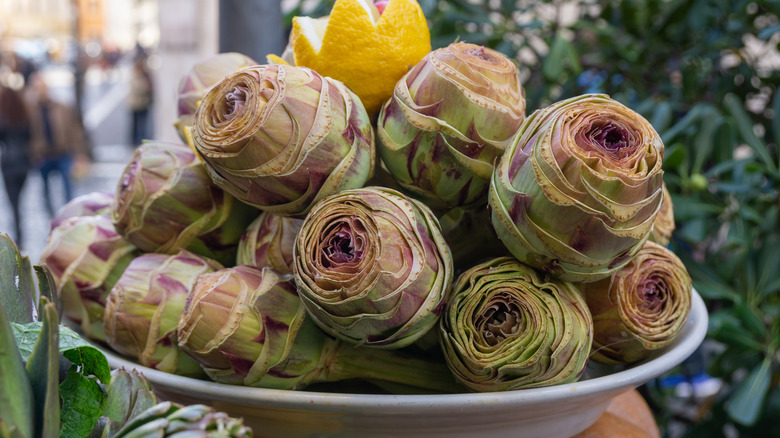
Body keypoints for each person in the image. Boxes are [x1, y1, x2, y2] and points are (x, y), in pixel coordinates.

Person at [26, 72, 89, 217]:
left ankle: (69, 215)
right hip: (43, 155)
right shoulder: (31, 111)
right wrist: (34, 153)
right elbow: (28, 135)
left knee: (68, 187)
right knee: (45, 190)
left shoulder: (61, 107)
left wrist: (79, 153)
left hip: (62, 153)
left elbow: (73, 131)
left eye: (43, 88)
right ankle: (51, 216)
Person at [0, 84, 32, 246]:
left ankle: (19, 234)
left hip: (9, 164)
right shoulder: (23, 116)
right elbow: (29, 136)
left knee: (14, 203)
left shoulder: (3, 118)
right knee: (20, 199)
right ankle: (20, 232)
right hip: (24, 162)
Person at [129, 56, 153, 146]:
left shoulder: (144, 75)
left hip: (143, 103)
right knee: (136, 124)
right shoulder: (135, 75)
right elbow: (140, 88)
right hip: (136, 103)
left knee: (142, 123)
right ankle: (135, 141)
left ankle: (140, 139)